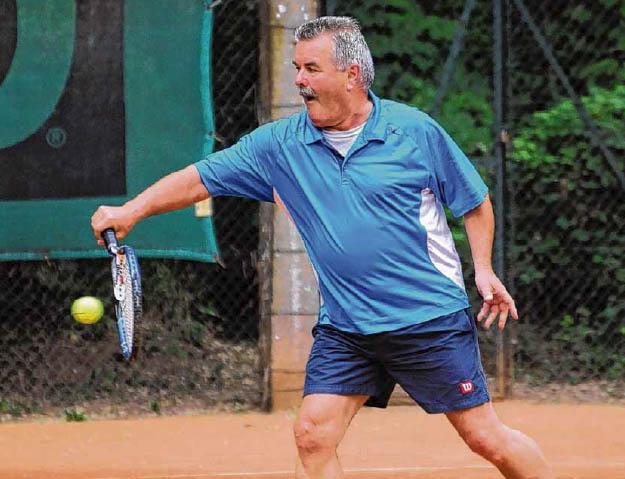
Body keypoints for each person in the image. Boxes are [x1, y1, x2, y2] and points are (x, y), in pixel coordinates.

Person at [91, 16, 553, 479]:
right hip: (347, 325)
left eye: (311, 68)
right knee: (313, 435)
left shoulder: (413, 131)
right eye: (296, 68)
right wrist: (131, 211)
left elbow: (474, 201)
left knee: (484, 438)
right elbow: (200, 178)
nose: (299, 80)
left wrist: (483, 269)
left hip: (426, 318)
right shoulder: (279, 145)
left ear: (351, 75)